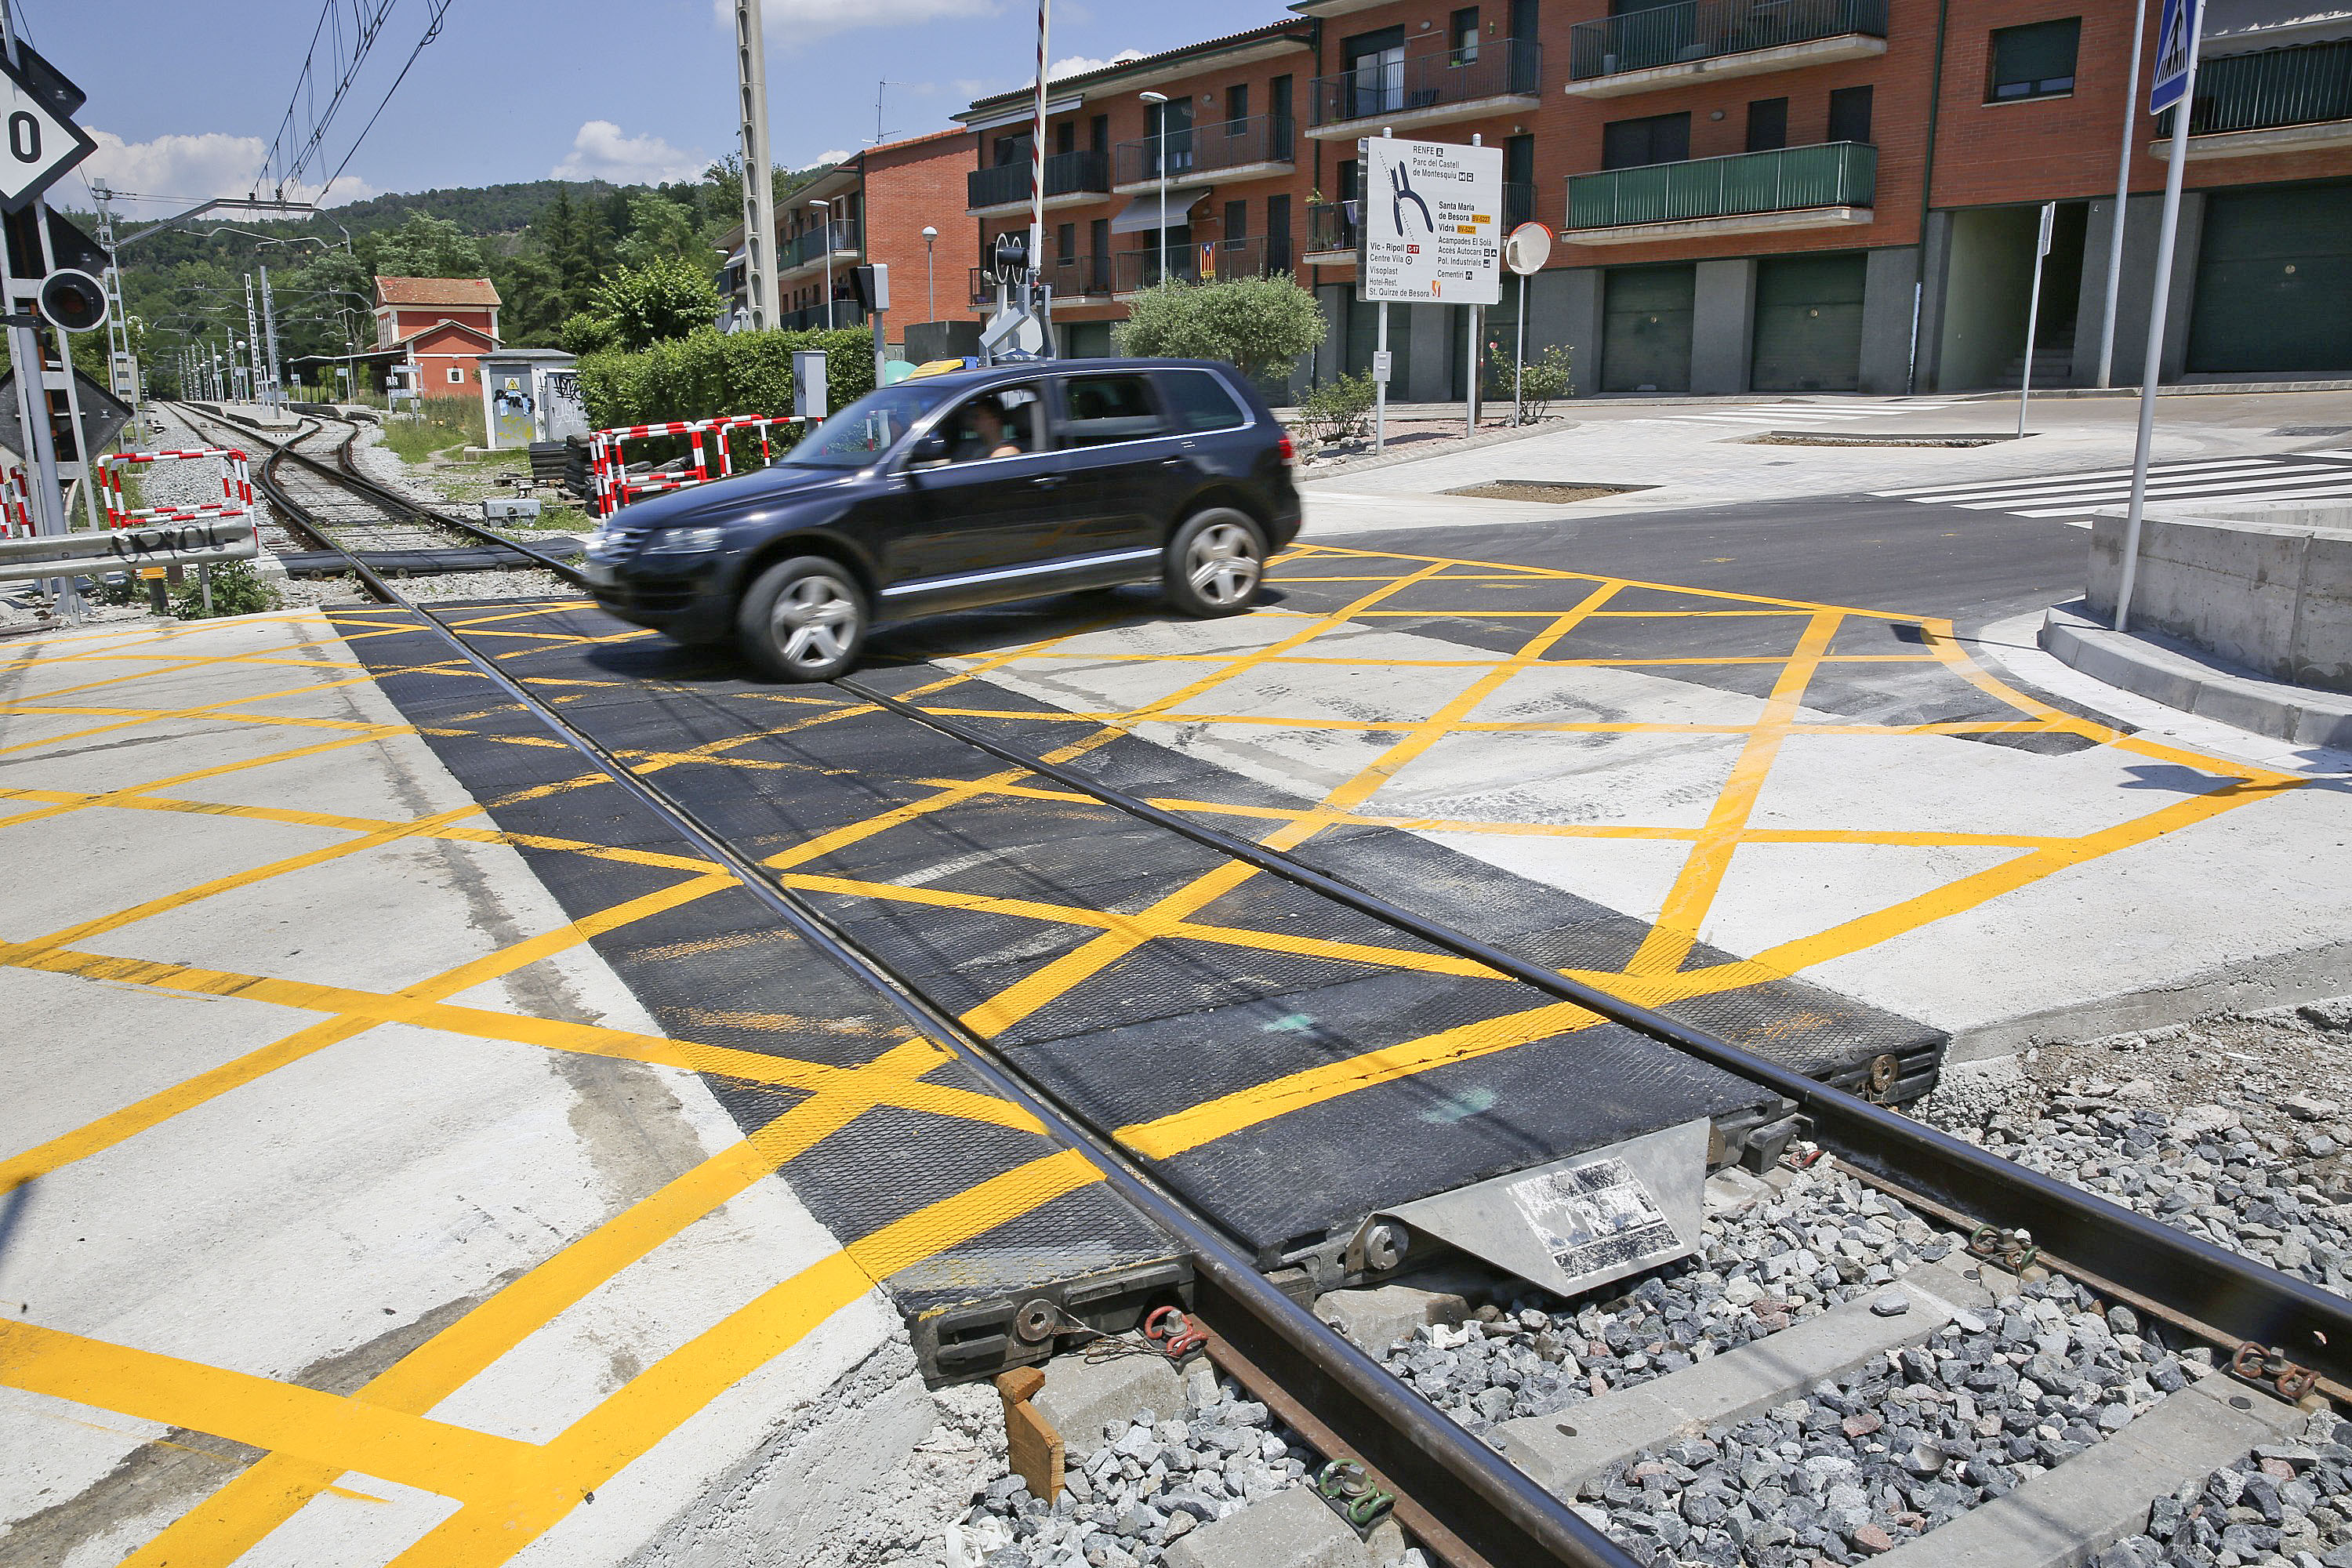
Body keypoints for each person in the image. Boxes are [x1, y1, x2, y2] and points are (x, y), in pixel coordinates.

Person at [954, 396, 1025, 461]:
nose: (973, 422)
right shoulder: (980, 450)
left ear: (994, 419)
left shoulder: (1007, 451)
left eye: (977, 417)